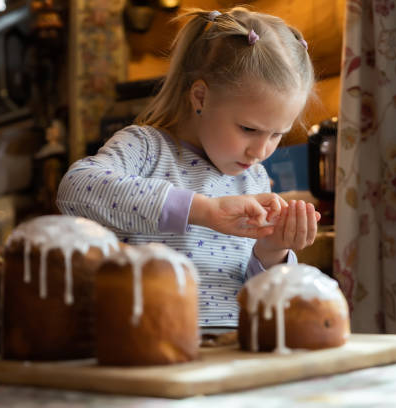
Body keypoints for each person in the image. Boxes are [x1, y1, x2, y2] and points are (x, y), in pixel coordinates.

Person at [57, 6, 319, 327]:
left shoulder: (256, 178)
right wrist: (203, 210)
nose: (261, 150)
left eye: (277, 134)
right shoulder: (147, 148)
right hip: (148, 340)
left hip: (232, 349)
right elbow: (76, 188)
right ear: (200, 97)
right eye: (248, 129)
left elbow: (252, 288)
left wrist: (273, 250)